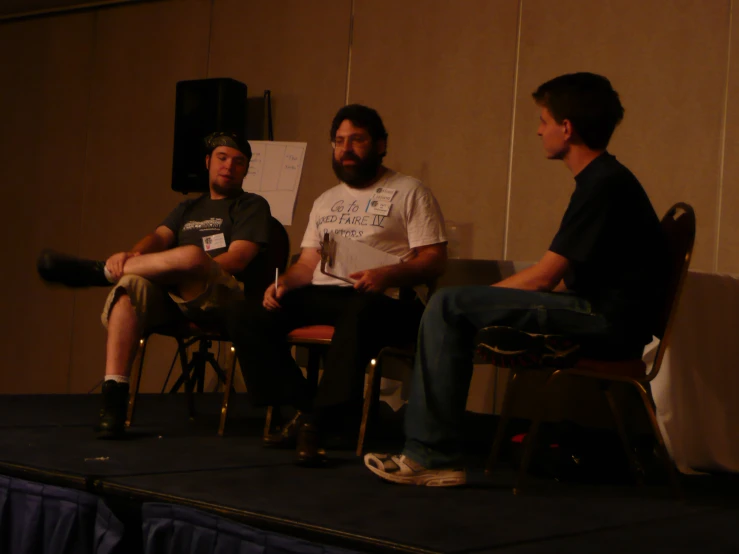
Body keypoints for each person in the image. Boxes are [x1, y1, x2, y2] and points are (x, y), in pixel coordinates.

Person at [364, 72, 669, 487]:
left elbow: (544, 279)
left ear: (567, 128)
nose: (538, 129)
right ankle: (430, 448)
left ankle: (431, 456)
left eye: (544, 120)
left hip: (608, 323)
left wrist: (475, 301)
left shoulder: (603, 185)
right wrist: (481, 304)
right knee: (453, 306)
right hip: (603, 313)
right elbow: (567, 280)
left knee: (446, 304)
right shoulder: (604, 181)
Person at [224, 104, 448, 465]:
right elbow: (309, 263)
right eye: (339, 141)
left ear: (380, 144)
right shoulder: (326, 200)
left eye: (356, 140)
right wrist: (283, 284)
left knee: (359, 312)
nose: (345, 149)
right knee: (245, 310)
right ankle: (304, 406)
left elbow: (434, 259)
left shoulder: (410, 191)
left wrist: (386, 274)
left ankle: (318, 421)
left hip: (387, 298)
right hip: (327, 292)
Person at [37, 132, 271, 438]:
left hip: (219, 295)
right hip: (173, 296)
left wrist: (193, 265)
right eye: (222, 158)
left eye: (238, 162)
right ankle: (114, 401)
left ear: (245, 170)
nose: (229, 166)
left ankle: (100, 272)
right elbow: (159, 237)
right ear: (207, 162)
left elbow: (238, 260)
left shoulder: (251, 205)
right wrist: (131, 255)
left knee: (192, 256)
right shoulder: (187, 208)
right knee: (130, 287)